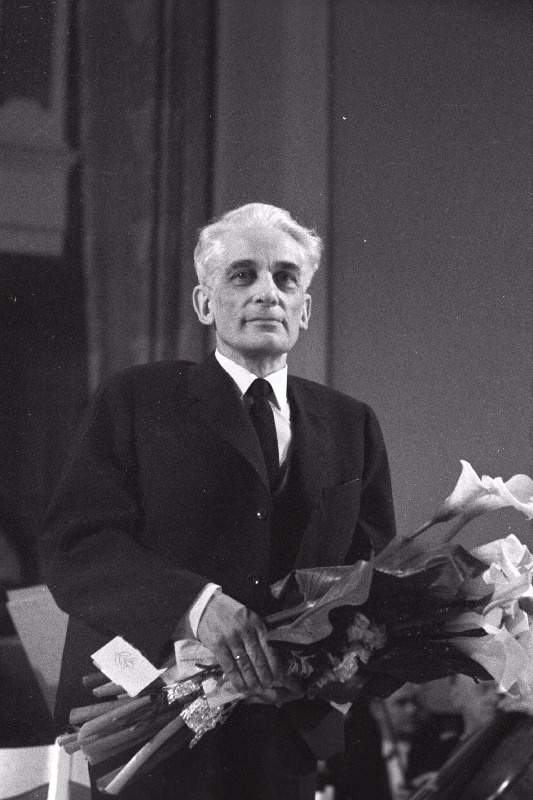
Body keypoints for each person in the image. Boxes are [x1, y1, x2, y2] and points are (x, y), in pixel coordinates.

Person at [44, 203, 396, 800]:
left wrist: (315, 669)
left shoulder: (351, 424)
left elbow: (374, 577)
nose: (267, 292)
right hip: (148, 741)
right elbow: (77, 547)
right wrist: (195, 605)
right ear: (205, 304)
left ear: (305, 308)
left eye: (286, 278)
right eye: (243, 275)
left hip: (279, 738)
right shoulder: (136, 400)